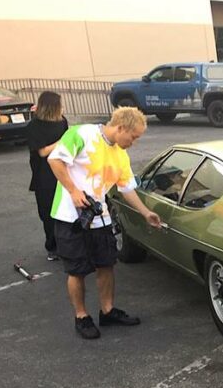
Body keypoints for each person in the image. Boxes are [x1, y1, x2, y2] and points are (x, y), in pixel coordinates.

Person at [47, 107, 161, 339]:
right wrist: (73, 190)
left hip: (99, 216)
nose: (134, 142)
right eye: (134, 136)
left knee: (106, 264)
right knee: (76, 270)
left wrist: (145, 212)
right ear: (121, 128)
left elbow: (127, 188)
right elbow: (55, 160)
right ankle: (81, 316)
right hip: (71, 217)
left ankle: (107, 311)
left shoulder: (120, 154)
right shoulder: (81, 134)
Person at [26, 91, 69, 261]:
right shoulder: (34, 126)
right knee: (48, 212)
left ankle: (67, 244)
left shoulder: (62, 121)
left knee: (65, 210)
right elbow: (42, 151)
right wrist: (63, 141)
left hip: (63, 169)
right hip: (44, 174)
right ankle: (52, 246)